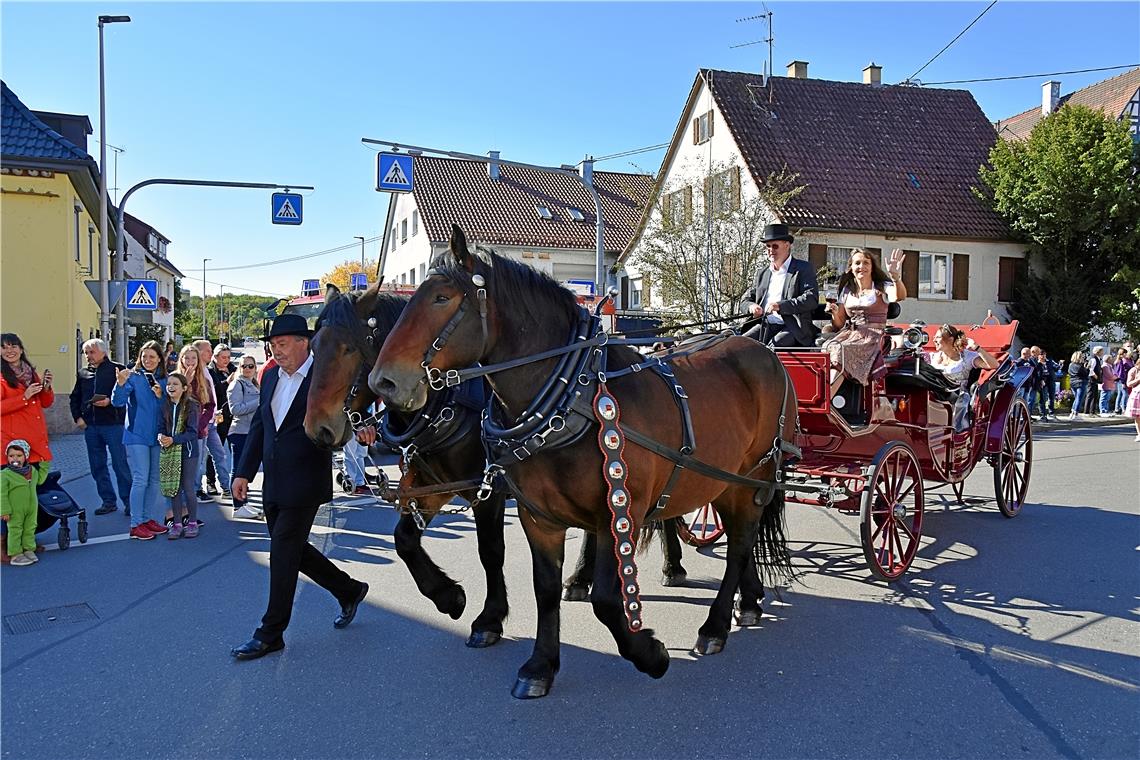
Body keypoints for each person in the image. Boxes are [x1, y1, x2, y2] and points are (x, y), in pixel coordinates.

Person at [230, 314, 368, 660]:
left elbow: (345, 415)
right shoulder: (271, 375)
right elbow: (262, 426)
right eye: (273, 346)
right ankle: (349, 589)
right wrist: (243, 472)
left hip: (306, 477)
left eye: (282, 344)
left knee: (283, 552)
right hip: (274, 479)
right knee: (294, 549)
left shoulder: (323, 377)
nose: (276, 351)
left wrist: (360, 427)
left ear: (303, 343)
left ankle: (271, 632)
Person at [821, 248, 907, 396]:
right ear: (851, 268)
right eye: (857, 263)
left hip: (873, 336)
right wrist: (835, 312)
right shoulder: (847, 290)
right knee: (826, 348)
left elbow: (900, 296)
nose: (862, 266)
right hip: (850, 334)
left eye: (866, 263)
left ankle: (826, 398)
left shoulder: (881, 287)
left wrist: (895, 278)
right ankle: (820, 393)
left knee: (840, 350)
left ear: (872, 267)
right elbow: (839, 324)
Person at [111, 341, 169, 540]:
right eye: (144, 356)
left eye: (152, 357)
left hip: (157, 435)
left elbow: (170, 406)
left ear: (160, 359)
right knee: (141, 478)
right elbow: (117, 402)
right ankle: (136, 523)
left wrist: (162, 395)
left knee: (154, 479)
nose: (148, 360)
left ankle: (146, 519)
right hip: (137, 435)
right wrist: (119, 384)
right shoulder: (132, 377)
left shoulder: (164, 379)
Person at [69, 339, 132, 516]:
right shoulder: (83, 373)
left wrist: (111, 402)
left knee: (120, 465)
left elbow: (127, 395)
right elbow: (75, 397)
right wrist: (78, 418)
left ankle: (129, 502)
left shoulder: (117, 369)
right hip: (91, 427)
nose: (88, 356)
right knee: (97, 466)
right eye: (86, 353)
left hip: (113, 425)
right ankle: (108, 501)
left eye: (91, 352)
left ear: (103, 352)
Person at [739, 223, 819, 347]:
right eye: (768, 246)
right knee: (739, 345)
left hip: (792, 327)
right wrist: (751, 307)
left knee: (770, 350)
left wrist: (780, 306)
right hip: (765, 325)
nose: (771, 250)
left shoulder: (803, 268)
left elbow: (810, 299)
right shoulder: (763, 273)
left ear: (787, 245)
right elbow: (745, 300)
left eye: (775, 246)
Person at [157, 373, 202, 540]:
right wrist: (161, 437)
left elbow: (192, 432)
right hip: (170, 452)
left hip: (188, 452)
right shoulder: (165, 405)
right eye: (169, 383)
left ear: (184, 388)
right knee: (174, 489)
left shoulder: (191, 406)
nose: (171, 386)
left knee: (188, 487)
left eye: (175, 384)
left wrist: (174, 439)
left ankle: (191, 522)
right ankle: (176, 524)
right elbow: (160, 427)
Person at [1, 333, 54, 467]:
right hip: (13, 445)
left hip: (36, 441)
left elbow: (45, 403)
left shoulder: (31, 373)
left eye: (13, 346)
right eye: (3, 347)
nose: (9, 351)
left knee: (36, 485)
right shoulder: (1, 377)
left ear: (21, 349)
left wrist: (46, 388)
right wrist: (24, 397)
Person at [175, 345, 213, 524]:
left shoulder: (203, 380)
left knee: (193, 475)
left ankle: (190, 515)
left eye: (193, 359)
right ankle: (179, 513)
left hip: (197, 434)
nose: (190, 362)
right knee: (178, 476)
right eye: (186, 358)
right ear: (181, 360)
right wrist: (186, 383)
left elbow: (210, 405)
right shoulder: (174, 379)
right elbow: (171, 403)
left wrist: (201, 424)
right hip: (178, 435)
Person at [191, 340, 231, 502]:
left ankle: (226, 487)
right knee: (199, 458)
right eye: (208, 351)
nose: (210, 353)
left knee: (219, 454)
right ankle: (197, 489)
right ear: (199, 353)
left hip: (213, 420)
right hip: (202, 422)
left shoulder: (206, 371)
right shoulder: (194, 372)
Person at [2, 440, 50, 566]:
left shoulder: (32, 471)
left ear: (25, 456)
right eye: (11, 456)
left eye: (19, 455)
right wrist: (4, 511)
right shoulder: (5, 474)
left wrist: (45, 463)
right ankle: (15, 554)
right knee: (15, 530)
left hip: (31, 507)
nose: (15, 458)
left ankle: (28, 549)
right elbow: (2, 494)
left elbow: (40, 480)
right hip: (15, 509)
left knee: (30, 527)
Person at [227, 356, 263, 519]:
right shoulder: (237, 384)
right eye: (244, 366)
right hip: (240, 432)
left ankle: (244, 502)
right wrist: (259, 402)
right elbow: (235, 409)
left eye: (251, 366)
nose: (247, 369)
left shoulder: (254, 383)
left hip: (251, 432)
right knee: (238, 468)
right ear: (239, 368)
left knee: (246, 469)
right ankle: (237, 505)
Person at [204, 344, 236, 498]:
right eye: (223, 357)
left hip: (233, 416)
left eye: (228, 357)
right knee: (215, 451)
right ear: (215, 357)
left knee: (235, 450)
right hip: (218, 416)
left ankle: (235, 483)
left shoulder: (233, 369)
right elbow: (213, 393)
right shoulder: (210, 372)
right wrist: (226, 383)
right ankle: (210, 482)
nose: (226, 360)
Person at [1067, 350, 1089, 420]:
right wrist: (1087, 368)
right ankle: (1076, 413)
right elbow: (1085, 374)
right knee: (1079, 399)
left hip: (1072, 382)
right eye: (1082, 357)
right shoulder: (1080, 366)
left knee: (1076, 398)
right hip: (1080, 382)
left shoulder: (1071, 365)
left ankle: (1072, 413)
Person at [1039, 349, 1060, 422]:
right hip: (1043, 381)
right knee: (1043, 398)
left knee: (1052, 396)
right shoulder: (1038, 363)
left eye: (1044, 354)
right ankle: (1043, 414)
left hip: (1051, 380)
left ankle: (1051, 412)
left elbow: (1056, 367)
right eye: (1041, 354)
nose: (1043, 356)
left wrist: (1060, 364)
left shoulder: (1049, 361)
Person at [1111, 348, 1133, 415]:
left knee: (1120, 394)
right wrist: (1123, 382)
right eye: (1125, 353)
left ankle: (1117, 408)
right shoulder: (1120, 361)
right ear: (1123, 354)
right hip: (1122, 380)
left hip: (1120, 380)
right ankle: (1124, 409)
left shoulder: (1118, 361)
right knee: (1124, 394)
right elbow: (1121, 373)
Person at [1084, 346, 1105, 416]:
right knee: (1090, 395)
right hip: (1092, 380)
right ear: (1098, 352)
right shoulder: (1093, 359)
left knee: (1094, 395)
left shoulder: (1098, 359)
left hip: (1095, 380)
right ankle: (1087, 411)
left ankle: (1092, 411)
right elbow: (1090, 368)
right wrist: (1095, 375)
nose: (1103, 352)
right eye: (1101, 351)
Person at [1098, 352, 1119, 417]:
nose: (1112, 360)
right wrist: (1116, 377)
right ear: (1108, 359)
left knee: (1107, 398)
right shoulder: (1105, 366)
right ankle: (1103, 411)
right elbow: (1110, 376)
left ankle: (1106, 410)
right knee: (1104, 398)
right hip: (1106, 384)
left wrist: (1115, 376)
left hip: (1109, 384)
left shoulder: (1109, 366)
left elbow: (1114, 374)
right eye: (1111, 359)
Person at [1125, 359, 1140, 441]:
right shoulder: (1134, 370)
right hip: (1137, 394)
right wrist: (1138, 379)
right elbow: (1129, 383)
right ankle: (1139, 434)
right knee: (1138, 416)